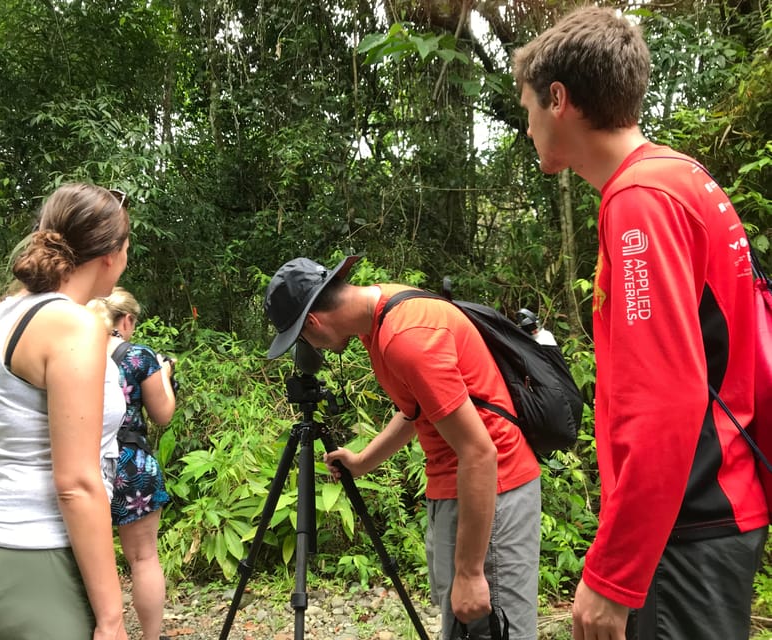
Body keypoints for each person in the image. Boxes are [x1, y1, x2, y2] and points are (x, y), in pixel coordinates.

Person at [513, 7, 768, 640]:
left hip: (688, 524)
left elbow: (664, 398)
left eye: (527, 109)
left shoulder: (640, 204)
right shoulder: (681, 178)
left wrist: (614, 574)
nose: (526, 126)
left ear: (560, 99)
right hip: (716, 506)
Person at [264, 256, 542, 640]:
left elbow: (480, 453)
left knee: (493, 629)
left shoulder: (406, 337)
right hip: (457, 488)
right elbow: (416, 412)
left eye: (302, 338)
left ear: (313, 322)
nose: (312, 348)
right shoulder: (380, 317)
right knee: (462, 627)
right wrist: (362, 462)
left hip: (492, 492)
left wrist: (470, 571)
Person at [0, 183, 132, 640]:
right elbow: (77, 484)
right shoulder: (74, 325)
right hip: (29, 566)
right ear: (111, 254)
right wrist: (112, 618)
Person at [87, 287, 176, 640]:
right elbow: (162, 414)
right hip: (130, 463)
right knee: (143, 558)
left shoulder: (73, 347)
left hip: (82, 461)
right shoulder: (138, 356)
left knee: (86, 558)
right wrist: (165, 375)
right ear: (125, 320)